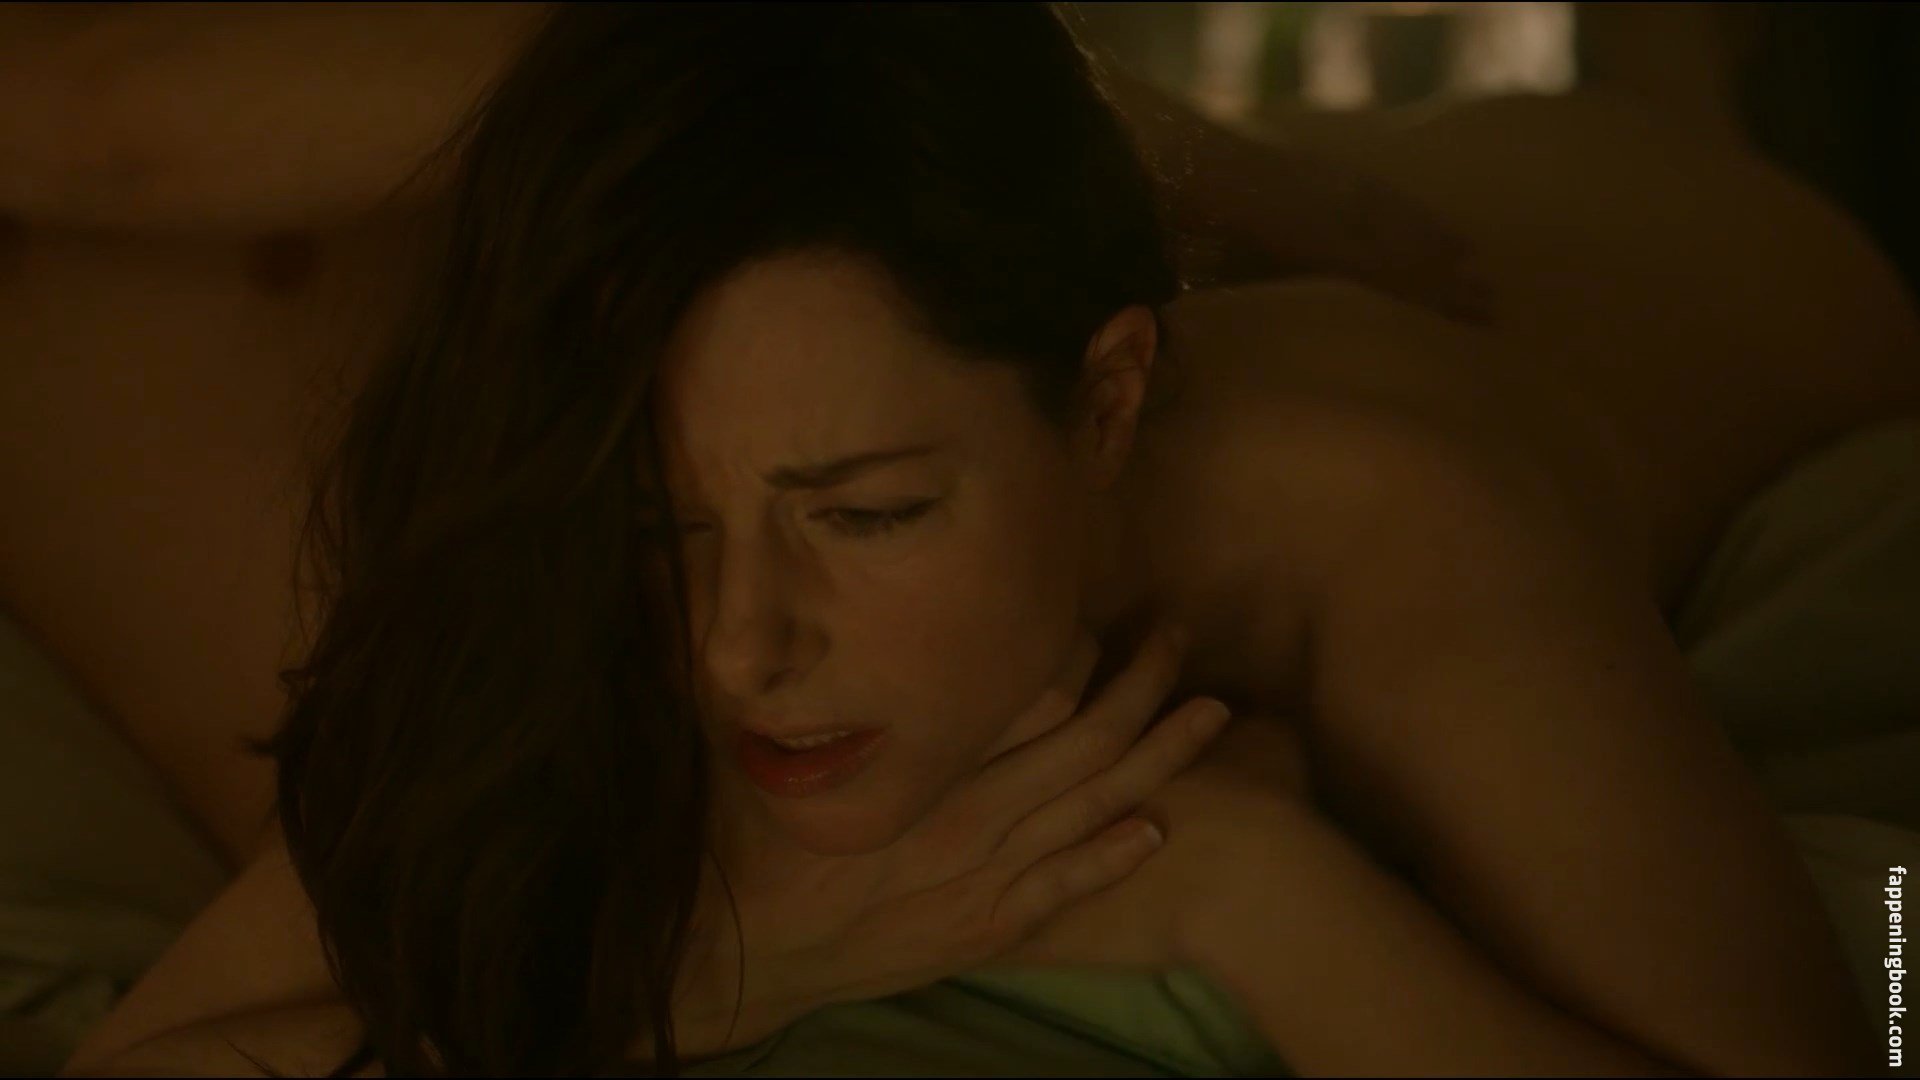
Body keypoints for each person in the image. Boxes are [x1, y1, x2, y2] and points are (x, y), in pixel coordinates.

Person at [54, 2, 1920, 1076]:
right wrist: (718, 967)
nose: (739, 646)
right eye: (664, 527)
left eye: (871, 514)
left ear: (1107, 405)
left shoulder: (1365, 517)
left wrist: (1238, 890)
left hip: (1733, 249)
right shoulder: (590, 524)